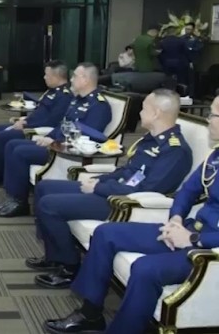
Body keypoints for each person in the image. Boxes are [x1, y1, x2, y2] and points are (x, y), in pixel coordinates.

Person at [44, 95, 219, 334]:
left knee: (145, 269)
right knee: (106, 233)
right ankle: (90, 314)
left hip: (209, 248)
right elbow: (188, 192)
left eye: (213, 115)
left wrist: (193, 239)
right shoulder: (215, 157)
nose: (208, 120)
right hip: (190, 229)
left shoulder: (178, 150)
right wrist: (176, 218)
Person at [27, 89, 193, 289]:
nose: (140, 113)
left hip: (121, 203)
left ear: (156, 113)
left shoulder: (175, 151)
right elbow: (126, 170)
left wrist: (100, 188)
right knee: (44, 187)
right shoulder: (150, 139)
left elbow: (147, 189)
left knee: (49, 205)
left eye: (143, 108)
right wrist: (99, 179)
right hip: (110, 190)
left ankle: (69, 267)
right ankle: (54, 256)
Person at [0, 63, 112, 217]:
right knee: (12, 145)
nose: (71, 79)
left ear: (85, 79)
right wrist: (49, 137)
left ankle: (19, 203)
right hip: (55, 143)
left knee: (20, 152)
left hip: (64, 151)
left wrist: (54, 142)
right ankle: (11, 197)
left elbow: (88, 136)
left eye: (75, 76)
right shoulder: (78, 100)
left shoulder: (98, 105)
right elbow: (63, 125)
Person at [0, 61, 72, 184]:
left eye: (47, 75)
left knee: (2, 136)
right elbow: (39, 113)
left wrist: (26, 124)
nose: (44, 77)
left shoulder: (64, 96)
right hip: (30, 123)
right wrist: (24, 120)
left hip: (36, 130)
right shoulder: (51, 92)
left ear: (56, 76)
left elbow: (51, 121)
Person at [158, 29, 190, 94]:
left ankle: (168, 93)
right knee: (180, 80)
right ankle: (180, 94)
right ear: (175, 33)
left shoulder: (163, 42)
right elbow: (186, 52)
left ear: (167, 33)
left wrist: (162, 62)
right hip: (179, 63)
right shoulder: (181, 41)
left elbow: (160, 54)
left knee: (168, 79)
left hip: (166, 63)